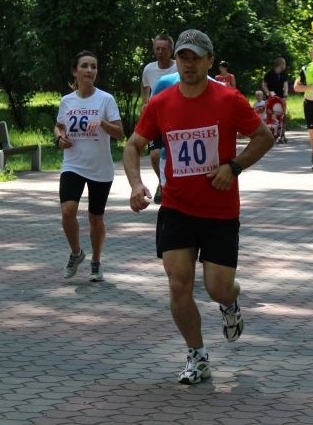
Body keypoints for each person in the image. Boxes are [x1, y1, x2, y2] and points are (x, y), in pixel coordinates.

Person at [122, 29, 274, 384]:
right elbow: (133, 146)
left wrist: (234, 166)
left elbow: (263, 137)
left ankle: (230, 303)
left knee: (218, 287)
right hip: (177, 207)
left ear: (209, 60)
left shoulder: (229, 99)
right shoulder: (161, 102)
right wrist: (135, 183)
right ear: (176, 60)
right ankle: (197, 355)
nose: (188, 64)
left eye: (195, 57)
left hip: (220, 210)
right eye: (183, 57)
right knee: (179, 284)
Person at [55, 51, 124, 282]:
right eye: (84, 66)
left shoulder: (106, 99)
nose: (89, 70)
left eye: (93, 66)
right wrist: (59, 137)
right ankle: (76, 253)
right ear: (75, 71)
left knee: (96, 218)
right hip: (73, 164)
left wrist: (102, 123)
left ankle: (96, 261)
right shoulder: (67, 101)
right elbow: (59, 126)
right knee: (67, 212)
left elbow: (119, 133)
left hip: (100, 168)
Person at [141, 35, 177, 204]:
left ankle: (174, 183)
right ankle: (162, 182)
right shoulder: (149, 69)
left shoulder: (179, 68)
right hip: (156, 116)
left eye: (164, 49)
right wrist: (145, 103)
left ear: (171, 50)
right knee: (155, 155)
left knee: (172, 154)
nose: (160, 52)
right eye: (157, 48)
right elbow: (144, 86)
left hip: (176, 117)